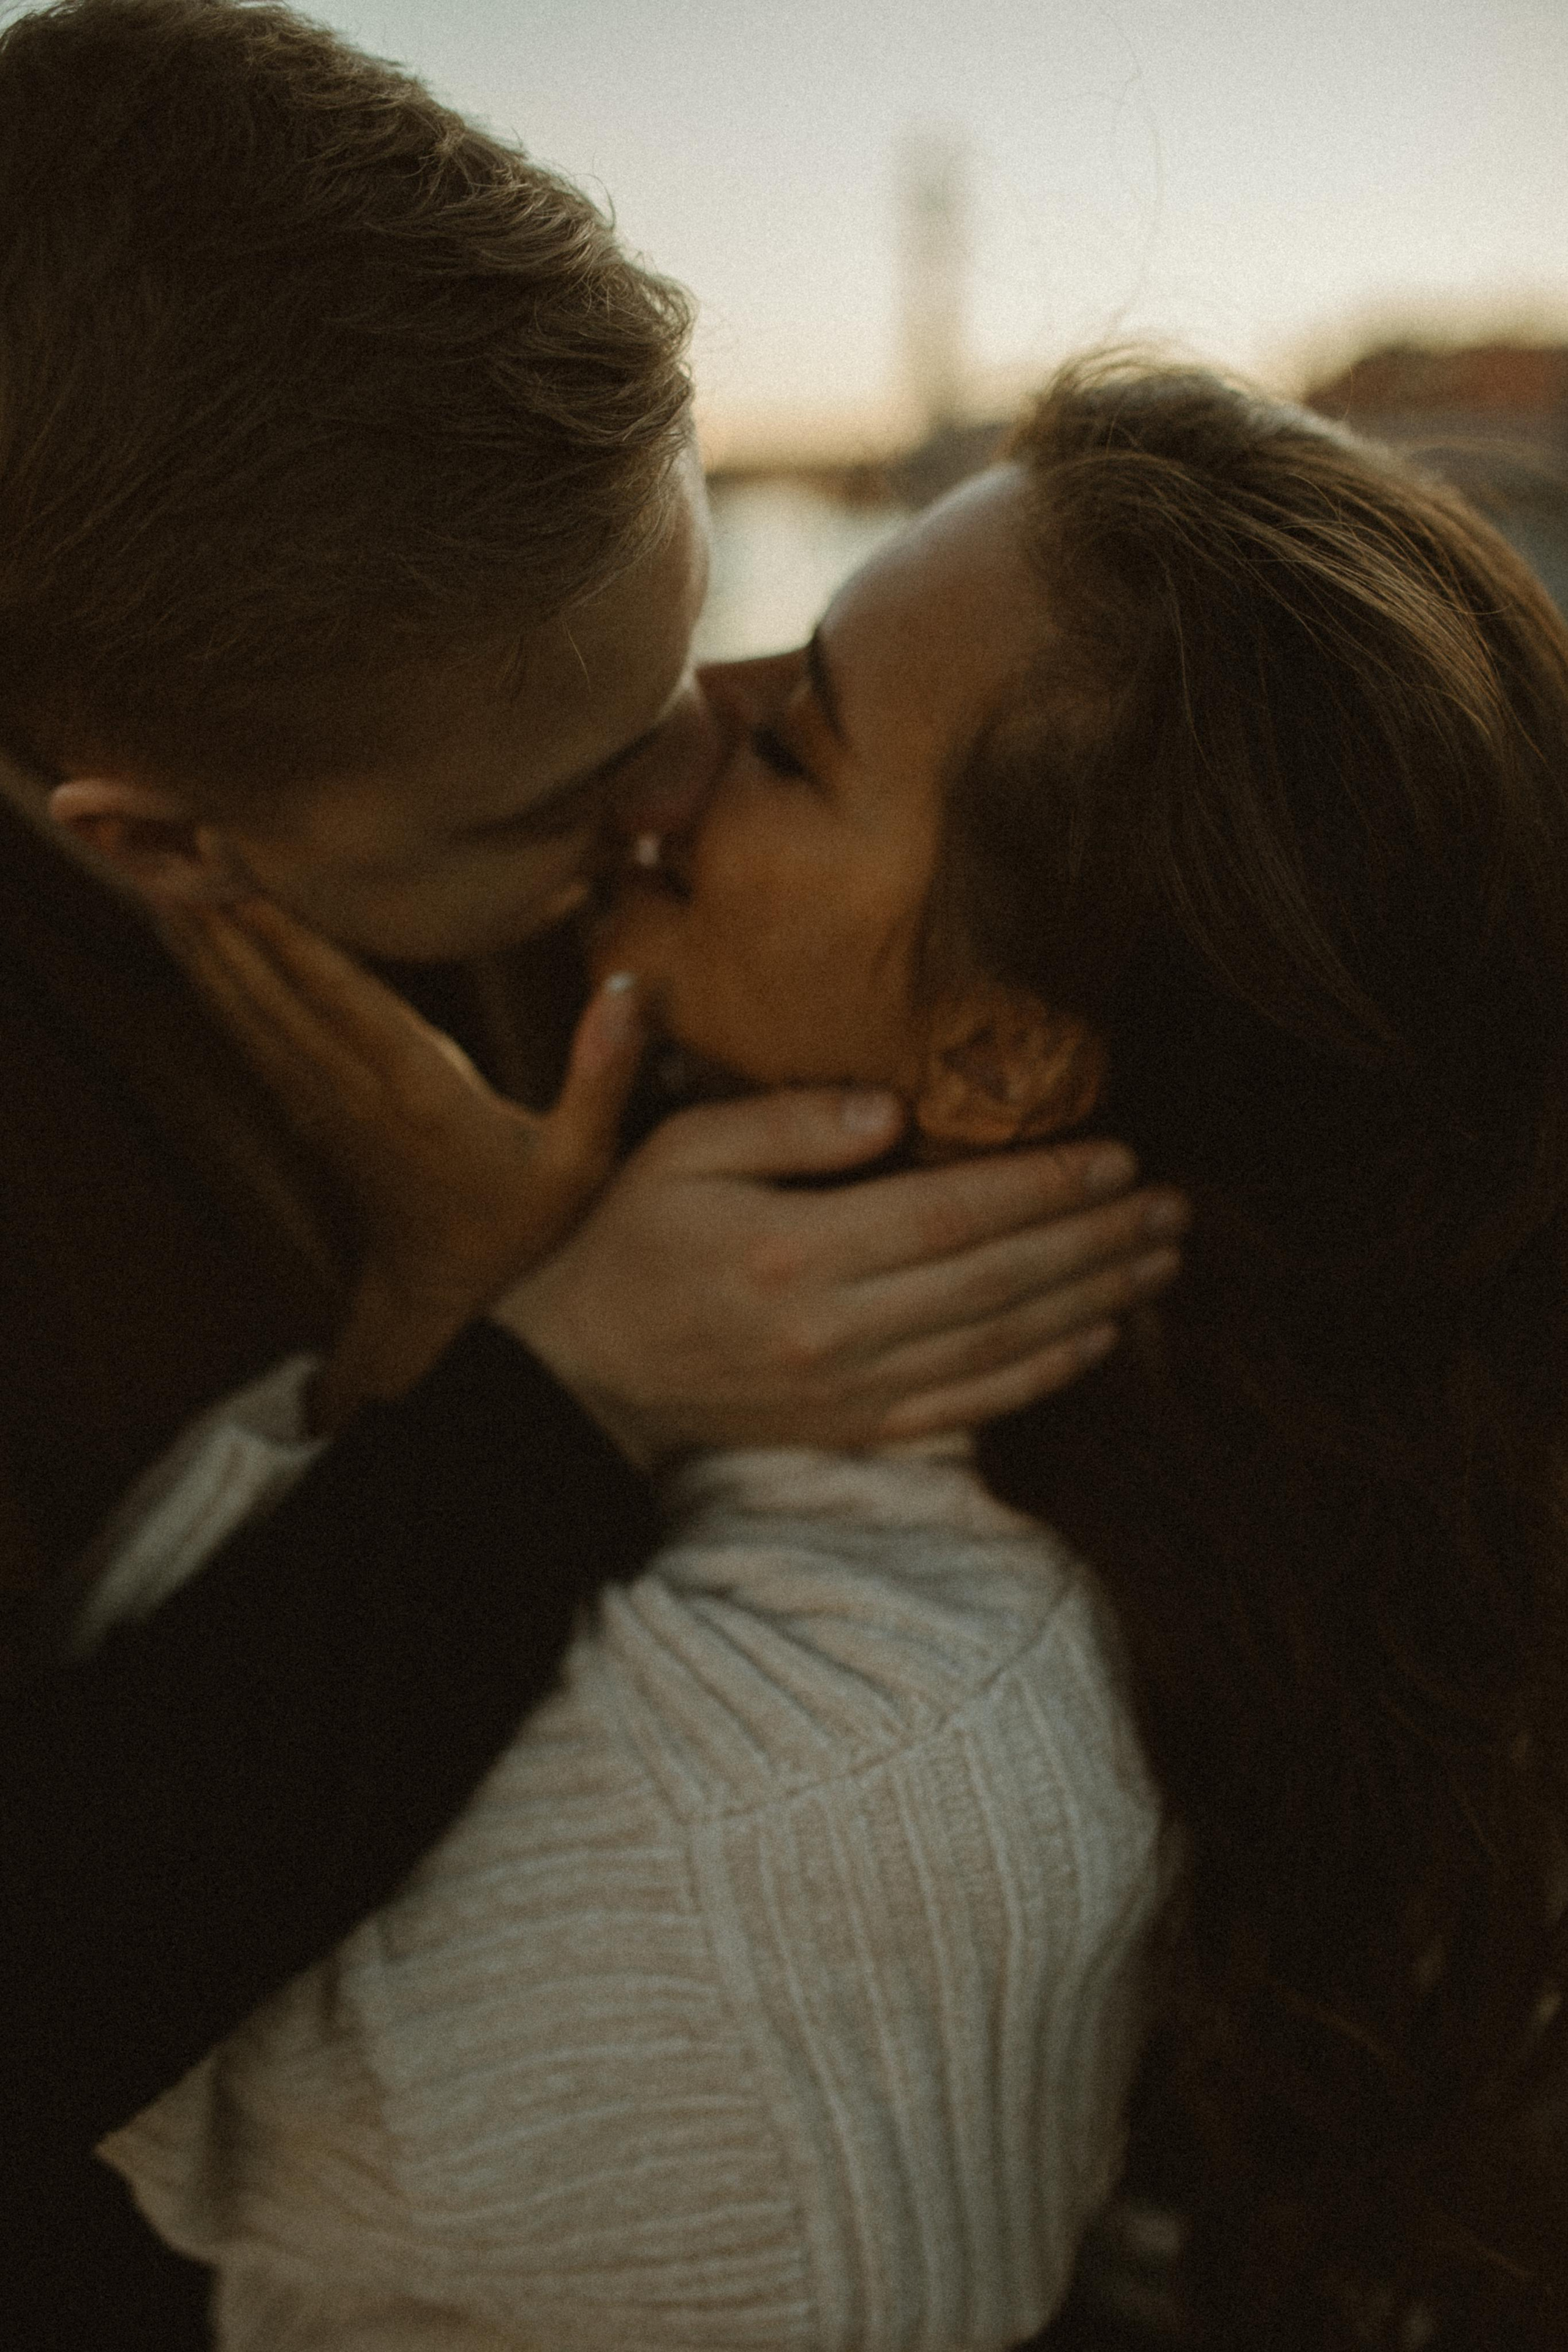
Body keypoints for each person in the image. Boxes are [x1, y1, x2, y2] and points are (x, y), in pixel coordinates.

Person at [100, 359, 1568, 2351]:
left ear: (993, 1056)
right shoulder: (1095, 1492)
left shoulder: (809, 1792)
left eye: (792, 744)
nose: (672, 729)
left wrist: (450, 1333)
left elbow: (130, 2051)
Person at [0, 4, 1180, 2340]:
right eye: (562, 807)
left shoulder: (492, 780)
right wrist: (538, 1386)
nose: (679, 798)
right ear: (152, 843)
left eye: (697, 645)